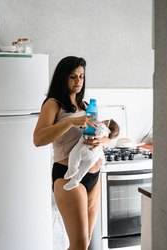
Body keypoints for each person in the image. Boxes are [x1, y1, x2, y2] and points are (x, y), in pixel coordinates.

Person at [33, 56, 111, 250]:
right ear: (63, 78)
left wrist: (102, 140)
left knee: (87, 239)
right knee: (79, 245)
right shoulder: (53, 104)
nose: (78, 81)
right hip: (69, 175)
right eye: (73, 77)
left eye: (81, 76)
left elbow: (101, 133)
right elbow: (38, 139)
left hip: (93, 175)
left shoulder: (85, 105)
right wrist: (69, 122)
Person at [63, 119, 119, 191]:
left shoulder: (102, 126)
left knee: (74, 155)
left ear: (107, 123)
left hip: (85, 149)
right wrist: (102, 163)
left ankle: (72, 169)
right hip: (94, 157)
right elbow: (101, 153)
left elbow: (100, 132)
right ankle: (75, 181)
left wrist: (98, 128)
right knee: (82, 170)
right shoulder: (106, 136)